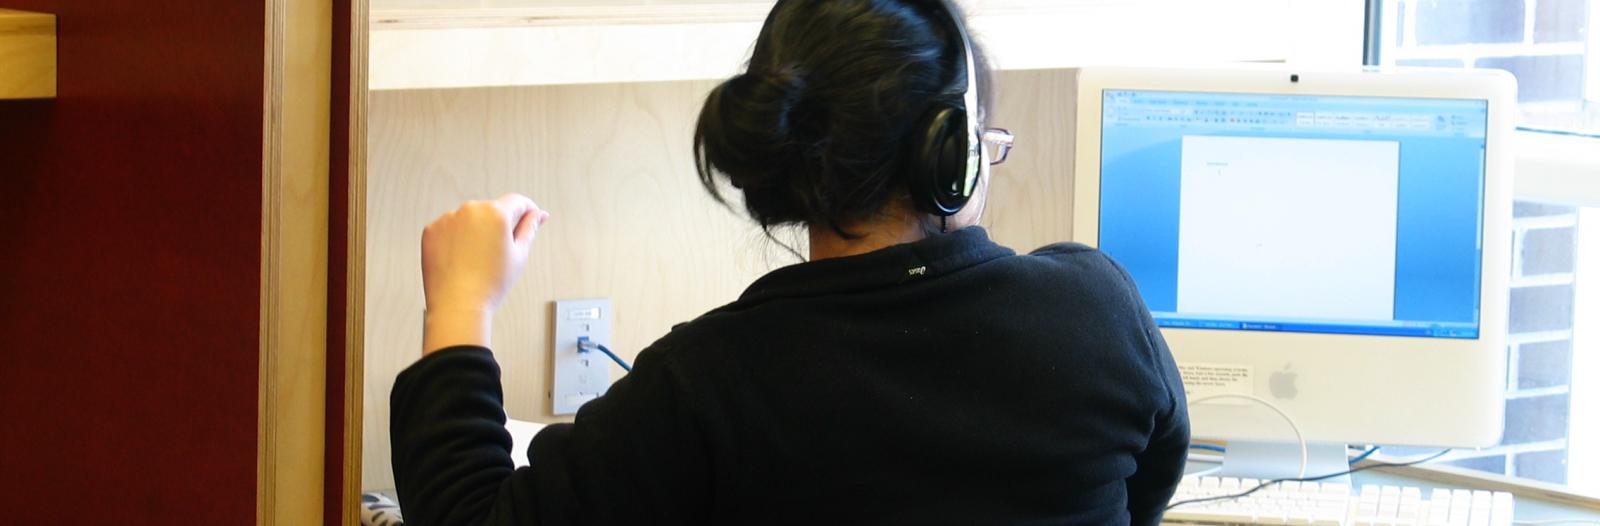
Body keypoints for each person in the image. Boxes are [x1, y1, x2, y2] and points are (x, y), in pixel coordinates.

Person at [390, 0, 1189, 524]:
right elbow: (1145, 488)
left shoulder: (707, 385)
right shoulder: (1100, 313)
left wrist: (461, 305)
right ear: (955, 155)